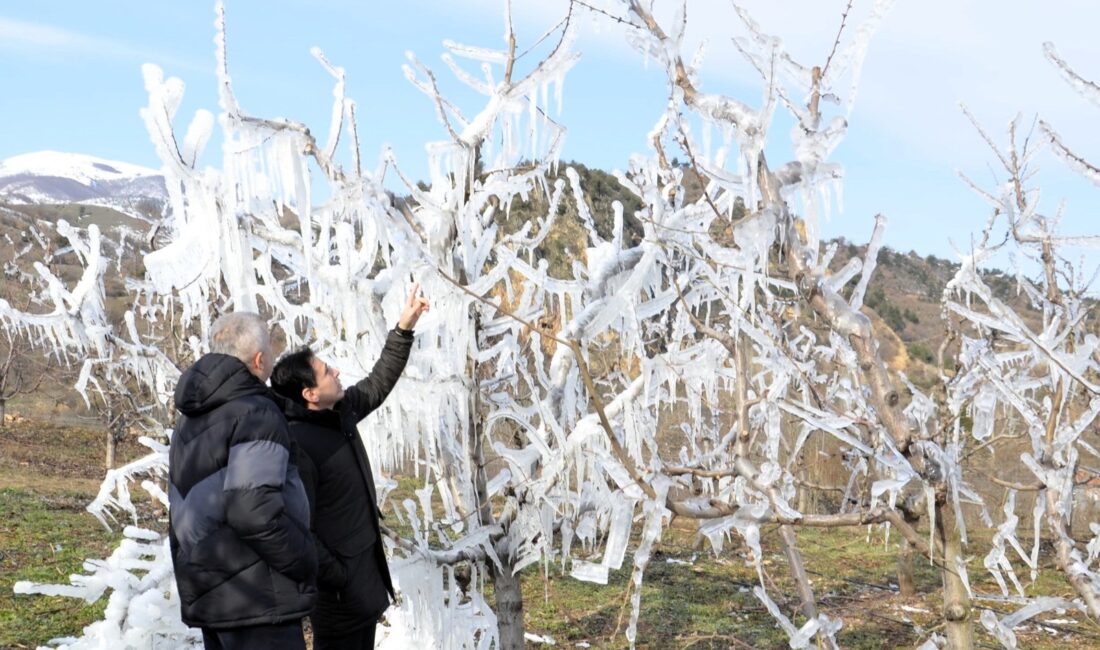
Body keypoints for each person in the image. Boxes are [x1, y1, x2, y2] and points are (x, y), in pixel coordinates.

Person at [270, 283, 430, 650]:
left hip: (362, 579)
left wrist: (403, 328)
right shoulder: (298, 446)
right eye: (327, 372)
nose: (336, 372)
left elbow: (377, 383)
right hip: (336, 596)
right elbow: (298, 528)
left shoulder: (337, 413)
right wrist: (337, 575)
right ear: (310, 394)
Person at [168, 312, 317, 650]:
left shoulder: (190, 417)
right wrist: (305, 558)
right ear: (260, 360)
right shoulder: (256, 413)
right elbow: (253, 512)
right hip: (259, 601)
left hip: (212, 594)